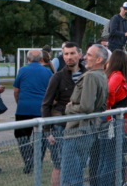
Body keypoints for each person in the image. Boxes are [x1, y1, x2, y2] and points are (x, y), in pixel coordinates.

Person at [60, 44, 109, 186]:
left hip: (77, 131)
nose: (85, 57)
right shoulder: (102, 76)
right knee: (76, 172)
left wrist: (69, 108)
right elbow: (101, 106)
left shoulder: (90, 76)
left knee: (70, 176)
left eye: (89, 55)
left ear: (99, 59)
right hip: (88, 130)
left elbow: (87, 106)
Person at [41, 42, 87, 186]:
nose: (69, 57)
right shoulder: (58, 77)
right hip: (63, 127)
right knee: (70, 167)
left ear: (79, 55)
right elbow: (46, 104)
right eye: (66, 54)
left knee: (80, 165)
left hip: (84, 126)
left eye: (72, 53)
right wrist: (47, 131)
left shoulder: (88, 76)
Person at [97, 50, 127, 186]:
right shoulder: (117, 76)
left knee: (105, 159)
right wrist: (109, 107)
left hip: (109, 122)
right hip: (112, 124)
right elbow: (109, 91)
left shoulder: (117, 79)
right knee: (109, 160)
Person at [13, 50, 53, 173]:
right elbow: (51, 91)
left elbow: (16, 90)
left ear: (28, 59)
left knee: (22, 136)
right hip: (41, 109)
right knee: (40, 137)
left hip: (24, 108)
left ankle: (28, 158)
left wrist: (19, 103)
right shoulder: (48, 72)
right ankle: (37, 162)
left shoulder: (22, 70)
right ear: (42, 59)